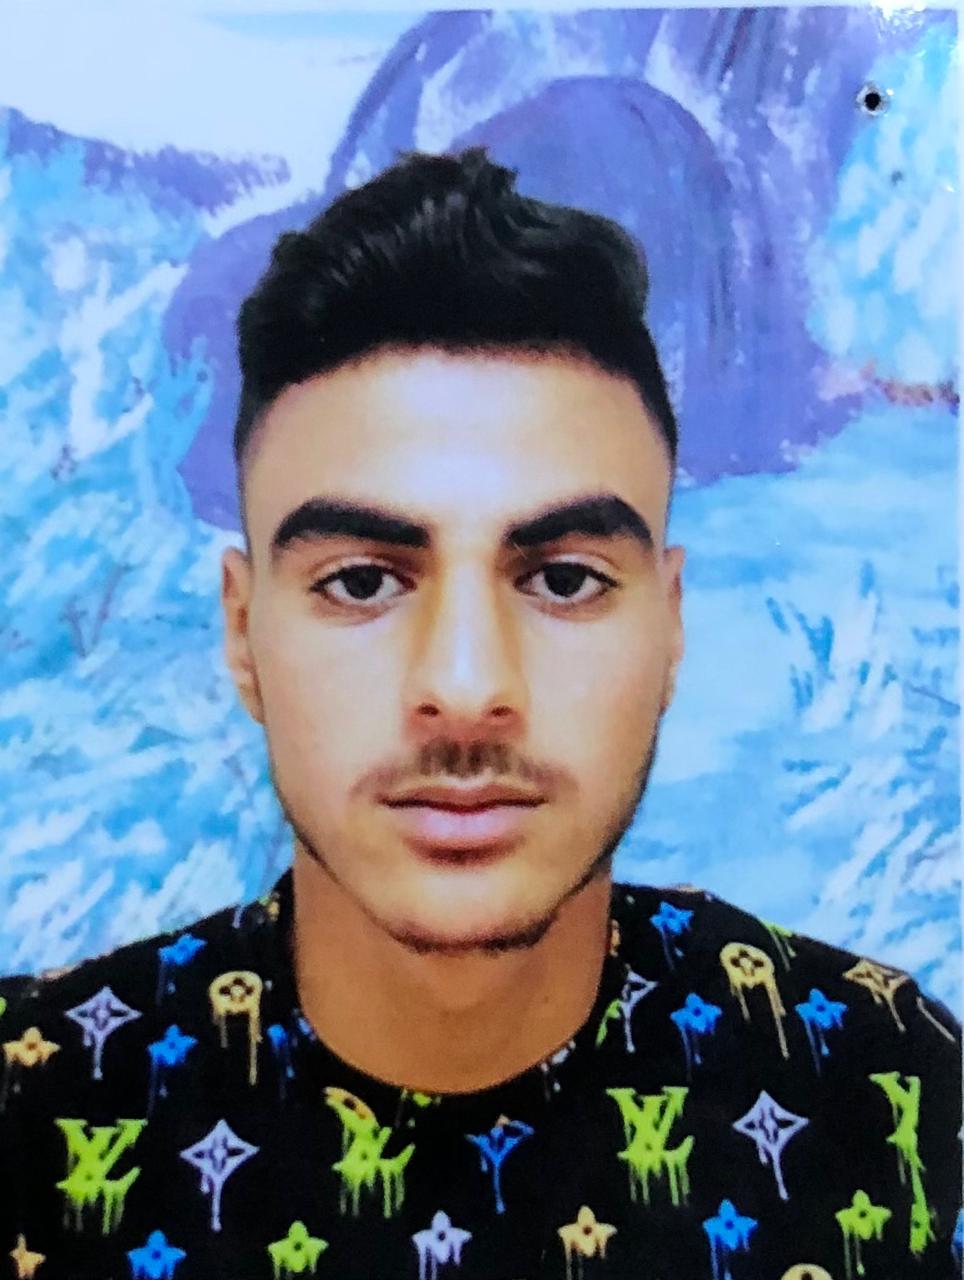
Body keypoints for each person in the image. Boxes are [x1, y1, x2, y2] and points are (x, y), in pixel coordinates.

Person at [0, 148, 959, 1280]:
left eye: (564, 578)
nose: (464, 689)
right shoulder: (29, 1106)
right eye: (363, 580)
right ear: (243, 634)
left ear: (671, 628)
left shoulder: (889, 1089)